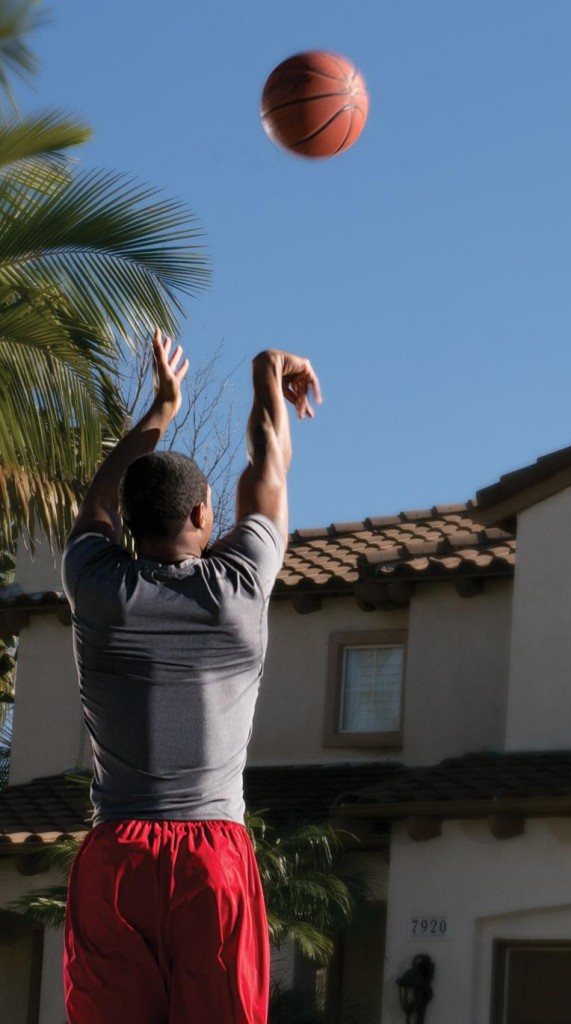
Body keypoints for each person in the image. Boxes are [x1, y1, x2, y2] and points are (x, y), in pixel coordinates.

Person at [60, 330, 321, 1024]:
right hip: (213, 858)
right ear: (206, 517)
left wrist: (160, 410)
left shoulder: (95, 583)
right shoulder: (238, 590)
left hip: (117, 851)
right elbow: (267, 466)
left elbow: (95, 502)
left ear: (129, 526)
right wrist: (269, 375)